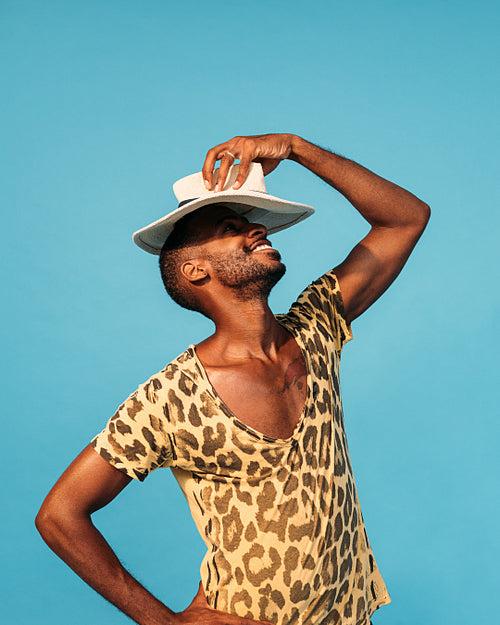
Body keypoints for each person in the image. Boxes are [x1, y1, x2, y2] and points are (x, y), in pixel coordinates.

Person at [35, 133, 430, 625]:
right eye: (231, 226)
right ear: (197, 270)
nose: (258, 230)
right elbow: (59, 515)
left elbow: (405, 218)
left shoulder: (315, 329)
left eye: (253, 222)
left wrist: (296, 147)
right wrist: (167, 623)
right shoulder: (171, 398)